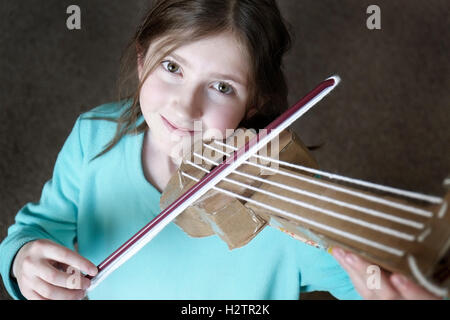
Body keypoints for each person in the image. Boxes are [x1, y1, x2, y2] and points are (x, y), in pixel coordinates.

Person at [0, 0, 441, 300]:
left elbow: (360, 281)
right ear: (141, 58)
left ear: (254, 102)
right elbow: (38, 227)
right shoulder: (92, 137)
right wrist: (23, 260)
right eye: (172, 67)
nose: (185, 105)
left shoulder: (286, 200)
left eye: (221, 87)